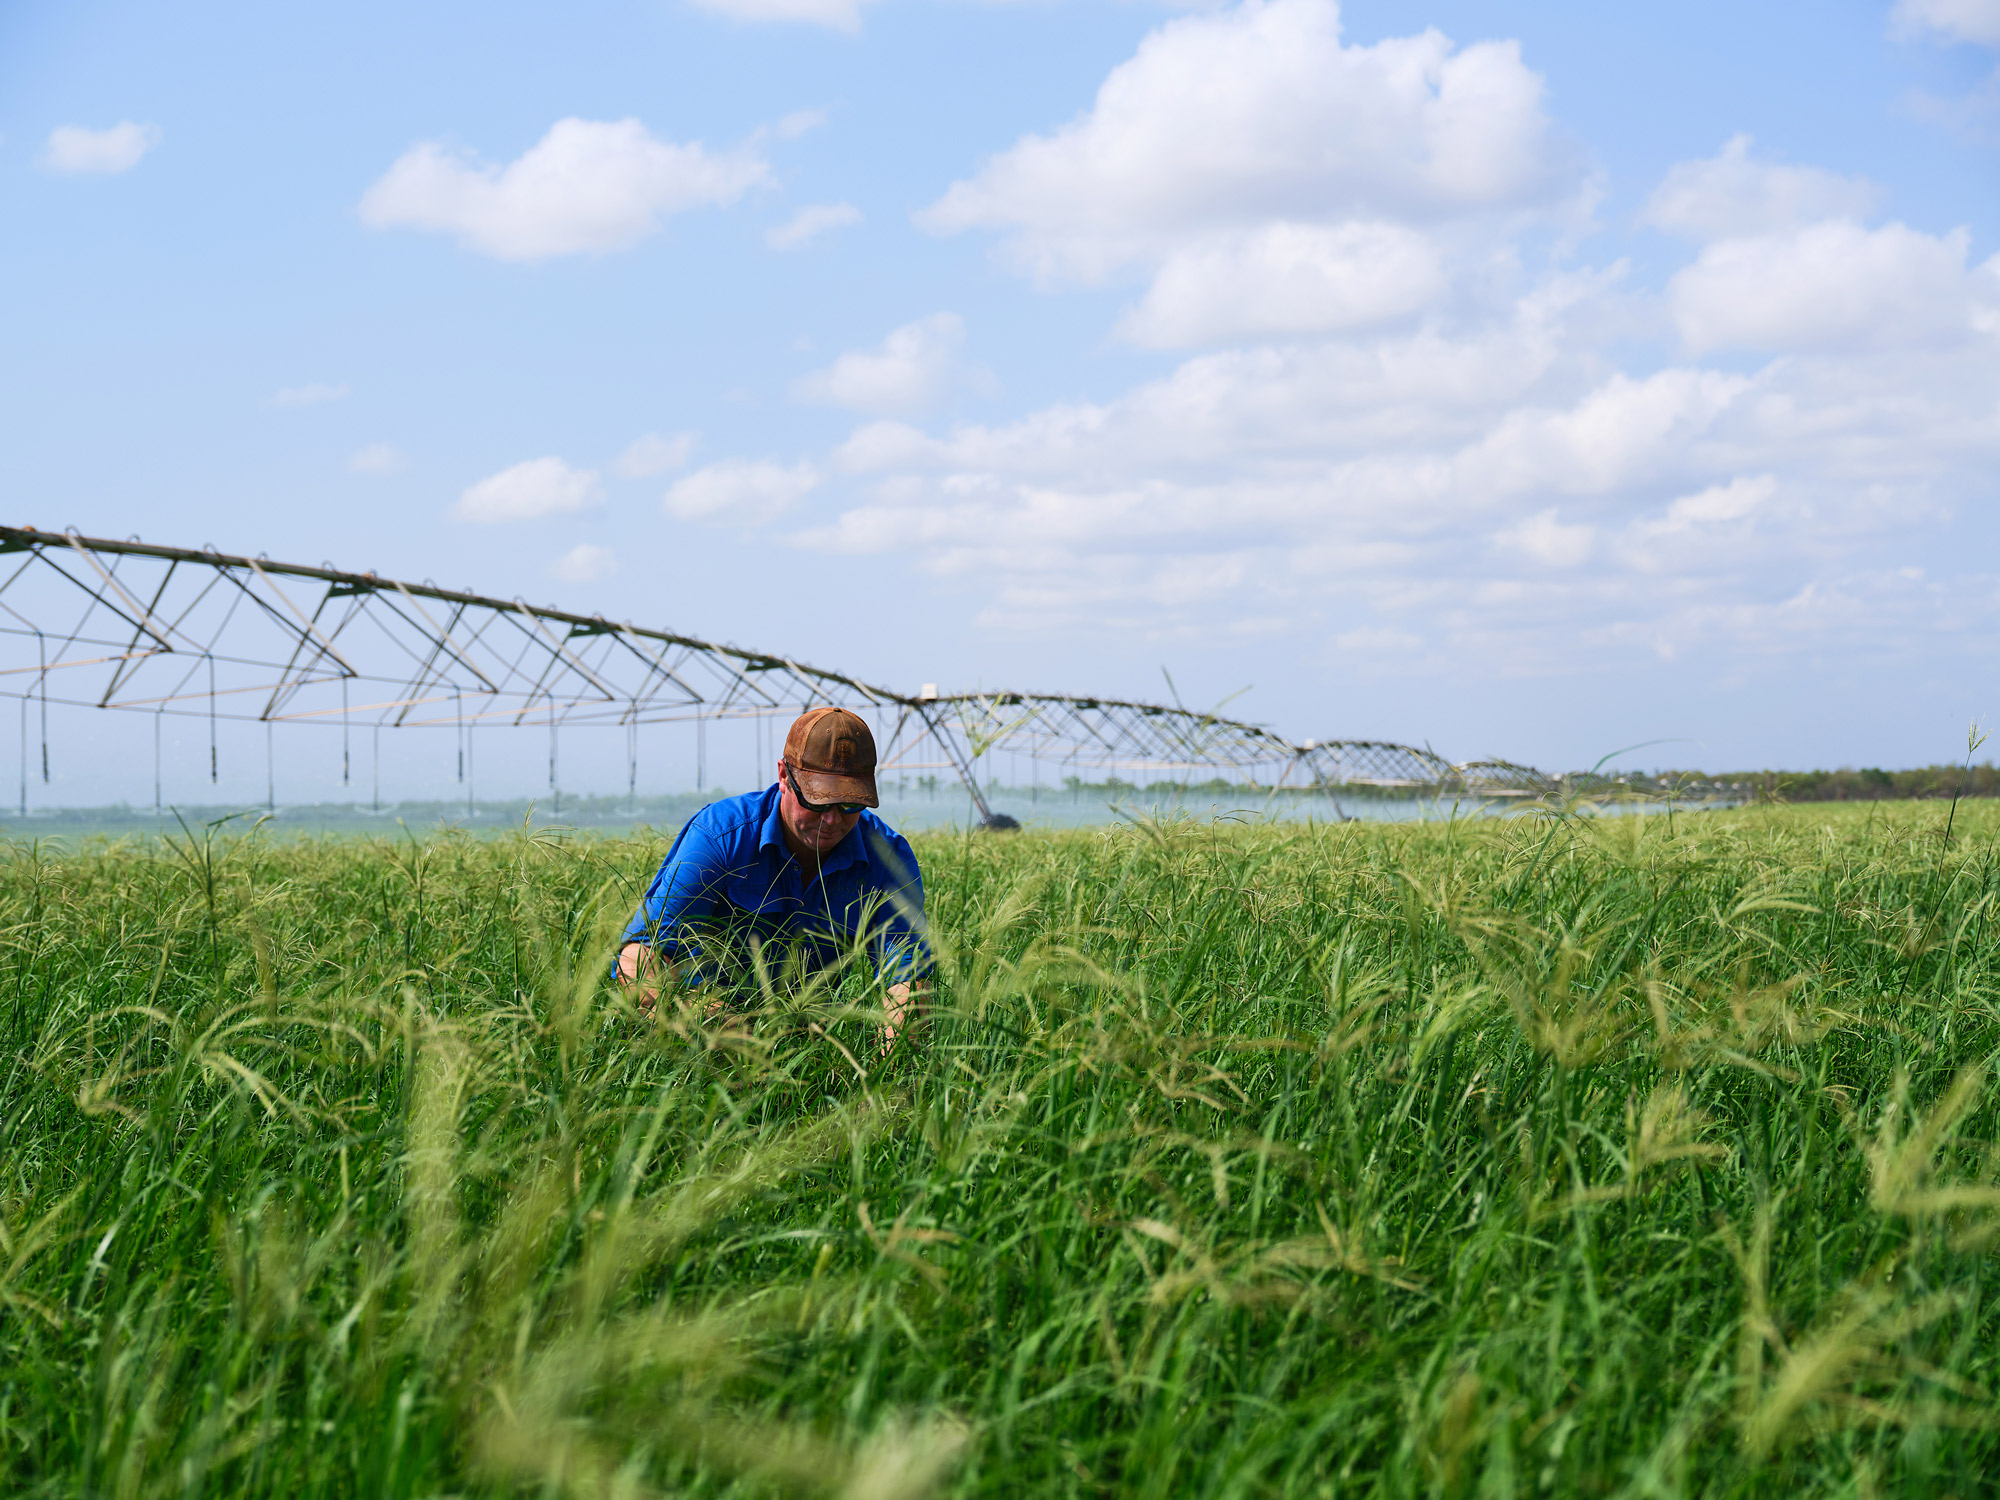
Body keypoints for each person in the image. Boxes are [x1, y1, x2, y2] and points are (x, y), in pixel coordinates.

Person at [616, 707, 931, 1046]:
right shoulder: (721, 837)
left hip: (810, 1037)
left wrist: (891, 1071)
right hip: (704, 1025)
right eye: (818, 801)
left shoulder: (887, 858)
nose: (832, 820)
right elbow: (642, 955)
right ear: (784, 776)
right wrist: (683, 1028)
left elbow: (908, 981)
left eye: (850, 805)